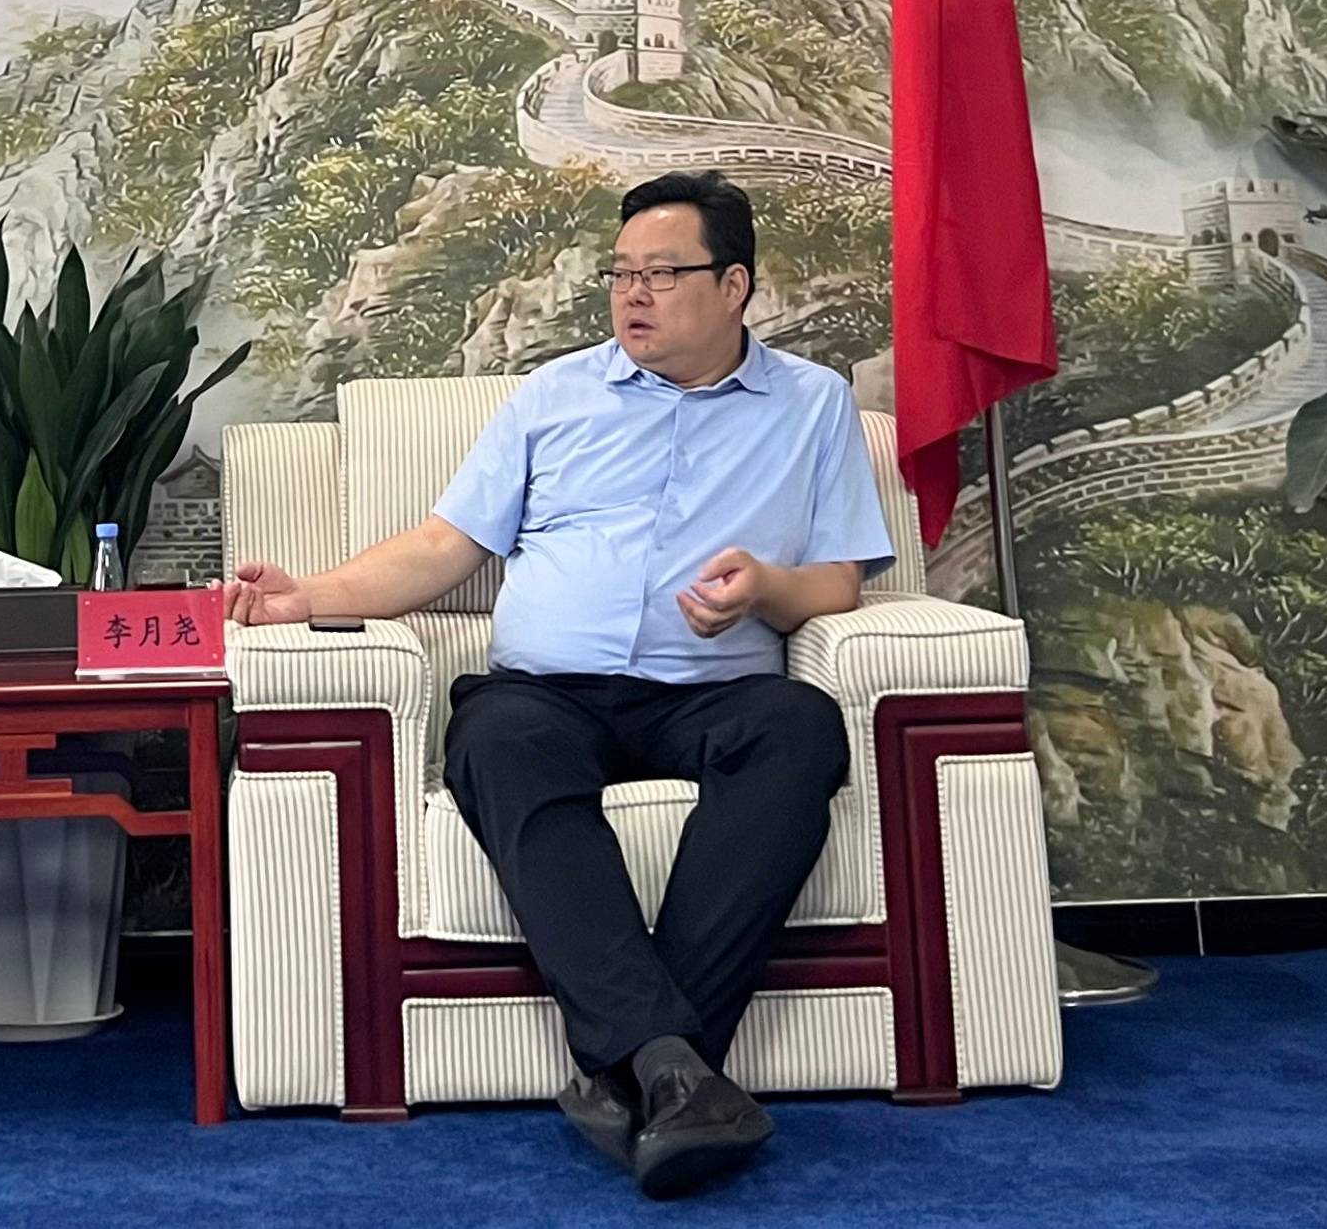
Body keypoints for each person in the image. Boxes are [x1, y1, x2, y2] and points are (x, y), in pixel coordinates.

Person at [224, 171, 894, 1199]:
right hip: (550, 695)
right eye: (620, 274)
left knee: (799, 727)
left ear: (734, 286)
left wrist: (765, 587)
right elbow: (445, 547)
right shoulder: (553, 396)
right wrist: (305, 595)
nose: (633, 294)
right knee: (495, 740)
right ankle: (673, 1071)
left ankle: (636, 1067)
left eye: (661, 273)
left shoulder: (813, 405)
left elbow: (838, 581)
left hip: (712, 693)